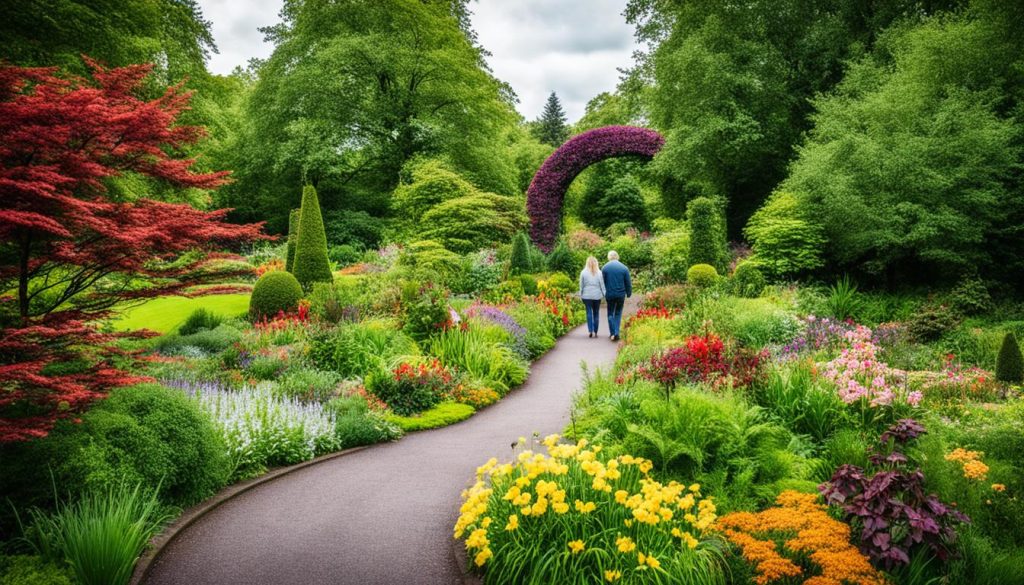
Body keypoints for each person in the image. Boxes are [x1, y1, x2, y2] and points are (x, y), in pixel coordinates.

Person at [601, 250, 631, 341]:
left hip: (609, 294)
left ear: (609, 257)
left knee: (610, 313)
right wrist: (629, 293)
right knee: (618, 313)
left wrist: (602, 293)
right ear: (617, 256)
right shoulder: (624, 268)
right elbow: (628, 282)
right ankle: (616, 332)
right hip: (620, 294)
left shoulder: (605, 268)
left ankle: (612, 333)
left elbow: (602, 282)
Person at [578, 256, 606, 338]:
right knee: (596, 313)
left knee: (588, 312)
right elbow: (602, 285)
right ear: (596, 263)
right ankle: (596, 331)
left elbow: (581, 286)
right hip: (597, 296)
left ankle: (590, 330)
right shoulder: (599, 272)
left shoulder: (583, 272)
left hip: (586, 296)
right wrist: (604, 294)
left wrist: (581, 294)